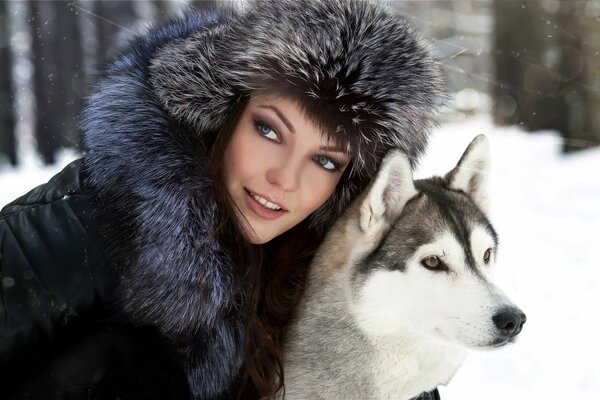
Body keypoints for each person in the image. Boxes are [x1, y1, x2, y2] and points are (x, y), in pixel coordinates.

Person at [0, 0, 444, 399]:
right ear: (224, 113)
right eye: (269, 130)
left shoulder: (347, 276)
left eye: (325, 161)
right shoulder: (73, 228)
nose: (284, 179)